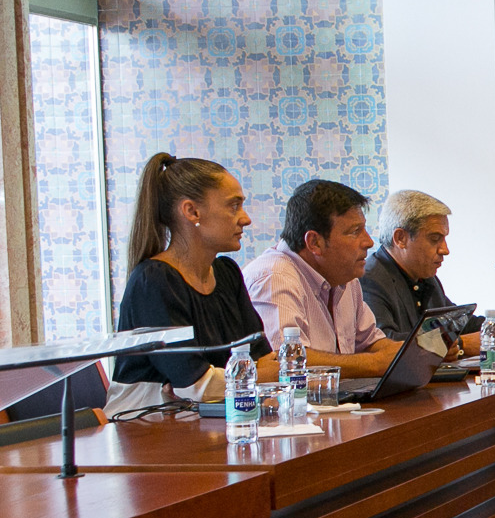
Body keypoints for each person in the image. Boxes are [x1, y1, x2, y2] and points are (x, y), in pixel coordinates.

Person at [107, 153, 279, 416]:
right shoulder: (153, 281)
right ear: (192, 212)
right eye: (234, 206)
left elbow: (265, 360)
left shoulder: (228, 273)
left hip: (212, 423)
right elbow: (195, 385)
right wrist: (253, 376)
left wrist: (237, 378)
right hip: (144, 430)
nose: (246, 219)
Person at [244, 178, 407, 377]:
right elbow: (286, 363)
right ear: (315, 243)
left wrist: (413, 353)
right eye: (355, 231)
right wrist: (374, 363)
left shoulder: (345, 276)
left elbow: (372, 343)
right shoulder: (274, 278)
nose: (368, 241)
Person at [362, 189, 483, 357]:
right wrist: (458, 344)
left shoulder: (426, 278)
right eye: (435, 239)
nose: (445, 250)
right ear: (400, 238)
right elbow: (384, 344)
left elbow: (458, 324)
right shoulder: (369, 280)